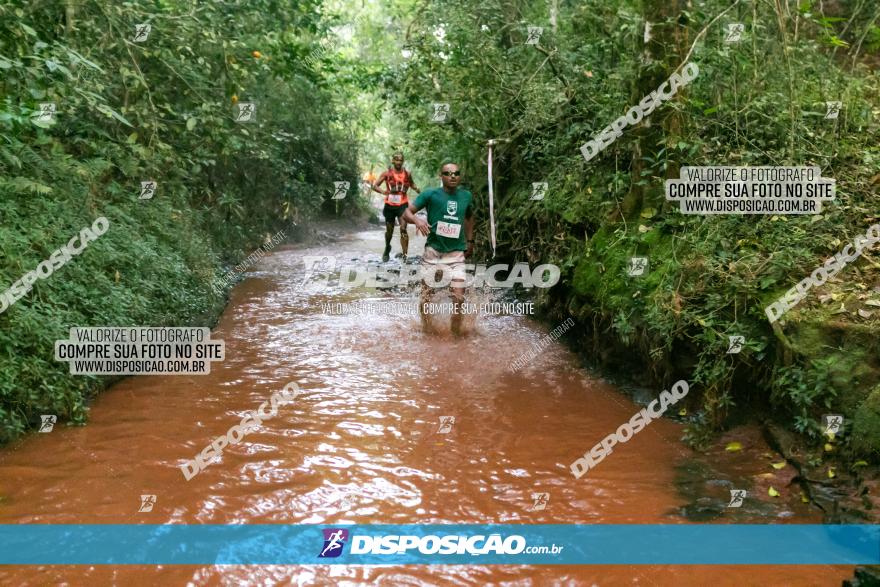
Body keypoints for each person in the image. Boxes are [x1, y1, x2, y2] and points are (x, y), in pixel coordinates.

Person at [403, 162, 474, 335]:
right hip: (433, 252)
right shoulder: (430, 194)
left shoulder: (466, 196)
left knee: (458, 298)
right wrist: (418, 221)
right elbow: (407, 212)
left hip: (456, 253)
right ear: (441, 176)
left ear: (460, 176)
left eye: (456, 173)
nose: (452, 176)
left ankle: (455, 333)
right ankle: (427, 329)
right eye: (448, 173)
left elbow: (470, 217)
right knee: (427, 295)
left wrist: (470, 241)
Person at [373, 152, 420, 262]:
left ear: (403, 161)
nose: (399, 162)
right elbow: (375, 186)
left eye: (401, 160)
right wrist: (384, 192)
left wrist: (417, 189)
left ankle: (405, 255)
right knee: (389, 231)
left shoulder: (407, 174)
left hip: (402, 205)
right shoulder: (387, 174)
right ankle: (387, 247)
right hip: (389, 205)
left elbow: (412, 184)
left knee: (403, 229)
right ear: (393, 161)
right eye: (397, 160)